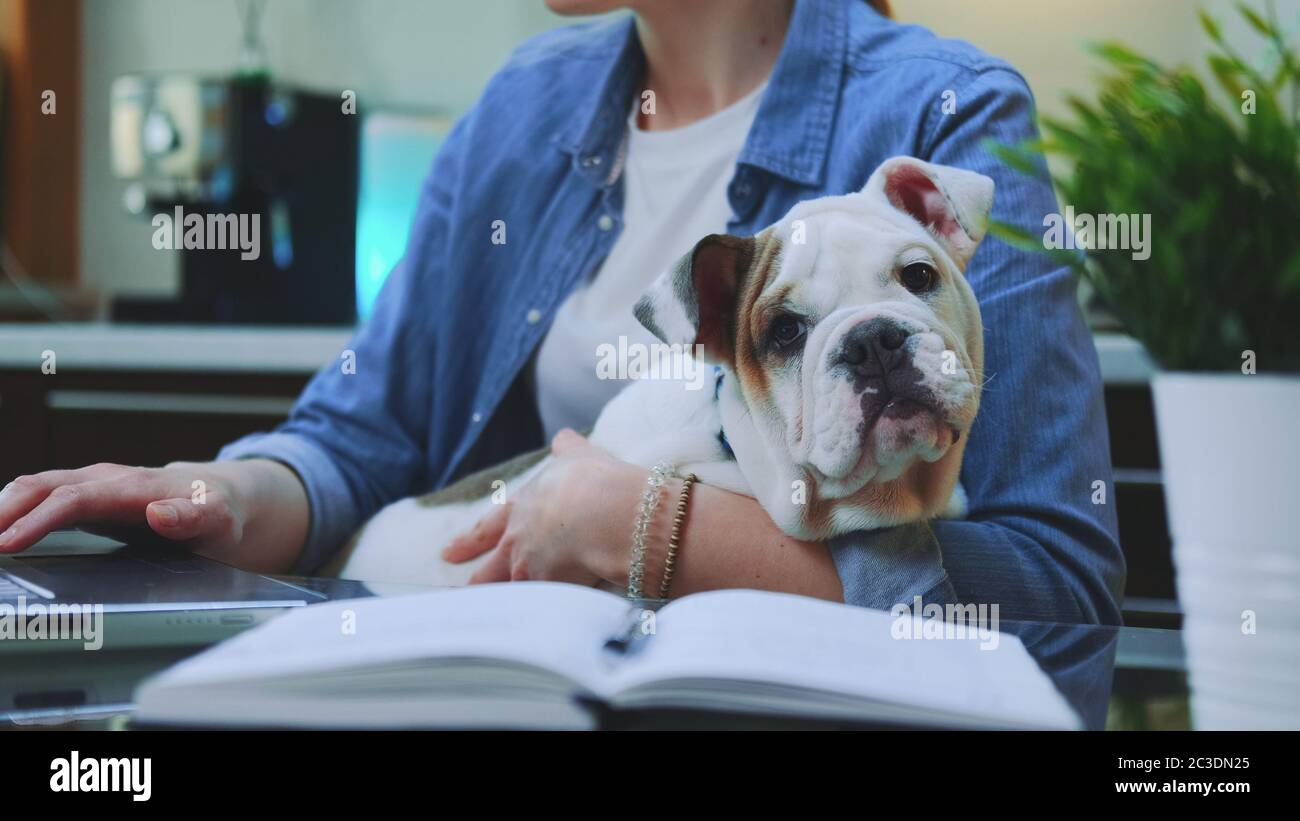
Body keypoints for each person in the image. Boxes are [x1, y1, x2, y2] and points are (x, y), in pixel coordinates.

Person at [0, 0, 1124, 622]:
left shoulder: (945, 111)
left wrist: (654, 532)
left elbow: (1057, 585)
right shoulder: (522, 106)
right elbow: (367, 433)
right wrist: (222, 495)